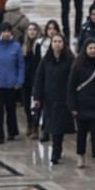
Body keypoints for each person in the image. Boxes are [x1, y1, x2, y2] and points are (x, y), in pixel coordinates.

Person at [67, 37, 95, 170]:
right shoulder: (77, 65)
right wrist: (72, 106)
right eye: (90, 48)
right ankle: (81, 156)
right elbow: (71, 87)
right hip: (81, 105)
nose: (93, 51)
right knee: (82, 133)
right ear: (85, 49)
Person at [33, 33, 75, 166]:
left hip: (64, 98)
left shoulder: (70, 59)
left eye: (59, 42)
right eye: (55, 42)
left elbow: (74, 79)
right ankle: (56, 149)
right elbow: (39, 78)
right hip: (49, 98)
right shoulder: (46, 60)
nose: (57, 44)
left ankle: (56, 150)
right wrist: (37, 97)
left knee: (59, 126)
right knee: (52, 124)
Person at [0, 24, 24, 143]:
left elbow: (20, 65)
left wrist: (19, 81)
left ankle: (12, 132)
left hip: (11, 84)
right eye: (4, 31)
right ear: (0, 32)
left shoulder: (16, 47)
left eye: (8, 31)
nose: (6, 34)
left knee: (11, 110)